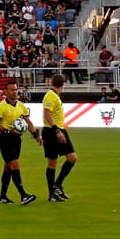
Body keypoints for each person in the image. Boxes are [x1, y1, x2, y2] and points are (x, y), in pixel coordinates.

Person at [0, 81, 41, 204]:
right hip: (5, 139)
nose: (15, 92)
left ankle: (2, 196)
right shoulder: (1, 106)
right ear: (6, 92)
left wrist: (36, 135)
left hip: (17, 139)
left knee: (8, 167)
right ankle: (23, 195)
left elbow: (27, 122)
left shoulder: (21, 105)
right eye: (12, 90)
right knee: (14, 165)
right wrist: (8, 132)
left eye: (16, 89)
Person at [42, 73, 77, 201]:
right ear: (64, 84)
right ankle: (51, 193)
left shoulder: (54, 96)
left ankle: (57, 185)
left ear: (52, 82)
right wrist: (57, 130)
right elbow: (47, 113)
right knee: (52, 163)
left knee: (72, 157)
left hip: (59, 130)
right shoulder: (50, 96)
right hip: (52, 131)